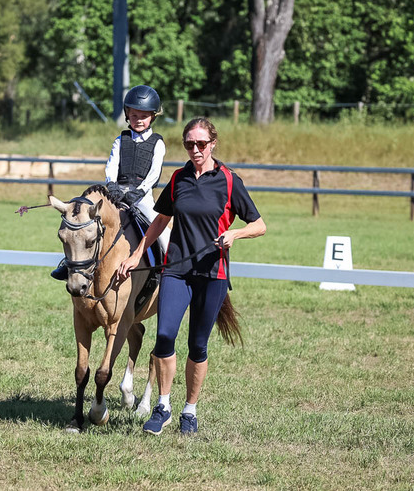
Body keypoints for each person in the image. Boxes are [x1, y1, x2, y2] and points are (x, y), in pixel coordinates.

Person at [117, 117, 266, 435]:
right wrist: (135, 255)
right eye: (189, 144)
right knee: (164, 338)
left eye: (201, 144)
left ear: (213, 144)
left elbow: (259, 224)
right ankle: (163, 406)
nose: (195, 149)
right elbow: (160, 221)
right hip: (177, 272)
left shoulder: (228, 181)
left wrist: (235, 235)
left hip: (213, 274)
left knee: (198, 345)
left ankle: (190, 411)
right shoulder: (178, 178)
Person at [51, 84, 170, 280]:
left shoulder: (157, 142)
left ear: (153, 116)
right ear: (127, 115)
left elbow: (154, 174)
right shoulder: (120, 140)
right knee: (84, 222)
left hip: (142, 197)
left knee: (163, 234)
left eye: (144, 116)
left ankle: (166, 271)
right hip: (116, 194)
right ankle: (69, 264)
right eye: (134, 116)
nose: (138, 120)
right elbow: (111, 166)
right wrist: (112, 186)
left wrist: (138, 192)